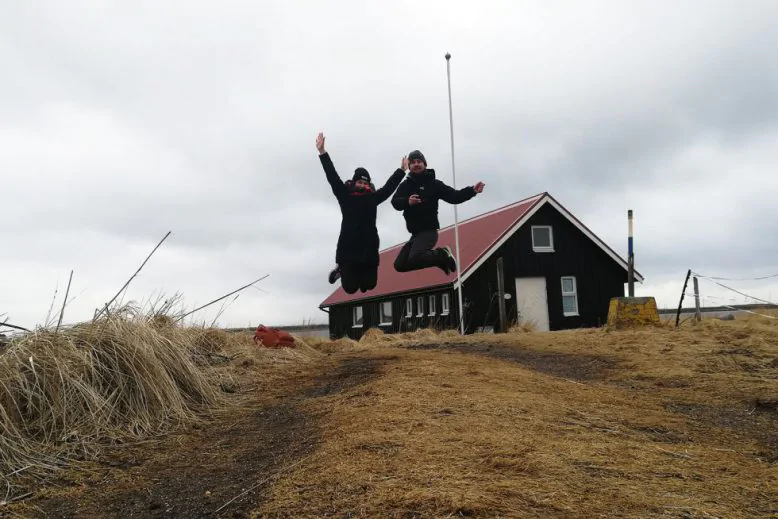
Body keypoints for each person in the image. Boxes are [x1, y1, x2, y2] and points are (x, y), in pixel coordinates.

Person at [316, 132, 406, 294]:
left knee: (368, 285)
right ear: (354, 182)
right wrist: (323, 152)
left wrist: (401, 170)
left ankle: (356, 274)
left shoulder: (373, 198)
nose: (363, 185)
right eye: (360, 182)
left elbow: (388, 187)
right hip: (348, 249)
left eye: (365, 182)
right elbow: (332, 176)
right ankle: (341, 270)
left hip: (369, 249)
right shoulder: (345, 196)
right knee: (350, 288)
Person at [391, 149, 485, 275]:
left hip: (429, 231)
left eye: (419, 161)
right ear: (409, 166)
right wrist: (407, 201)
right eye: (413, 162)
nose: (416, 164)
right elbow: (395, 202)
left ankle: (442, 254)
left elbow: (454, 196)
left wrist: (472, 190)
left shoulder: (434, 184)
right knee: (400, 265)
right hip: (415, 234)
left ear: (425, 164)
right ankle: (439, 261)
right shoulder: (405, 185)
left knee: (415, 257)